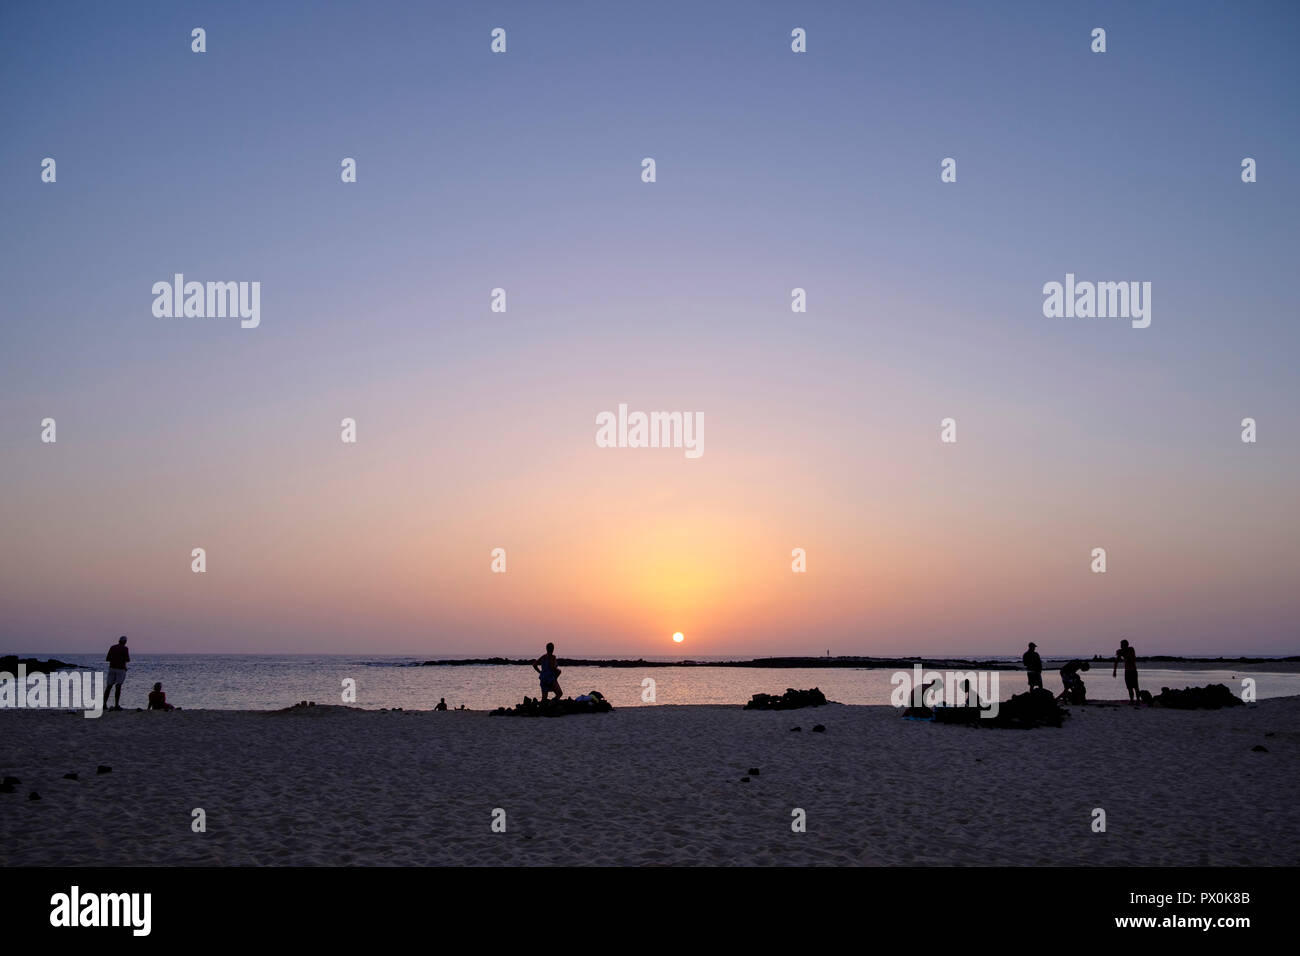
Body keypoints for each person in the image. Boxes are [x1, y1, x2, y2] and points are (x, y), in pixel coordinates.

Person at [104, 636, 129, 711]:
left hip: (112, 668)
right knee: (118, 687)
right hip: (120, 669)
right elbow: (127, 659)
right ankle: (116, 705)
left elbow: (107, 658)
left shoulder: (112, 647)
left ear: (119, 641)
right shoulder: (125, 648)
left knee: (108, 687)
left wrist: (114, 659)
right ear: (125, 642)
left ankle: (104, 704)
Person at [1114, 639, 1140, 704]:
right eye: (1121, 645)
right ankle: (1131, 700)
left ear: (1126, 645)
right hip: (1127, 671)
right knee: (1129, 687)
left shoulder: (1131, 649)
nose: (1121, 646)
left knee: (1136, 687)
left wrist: (1123, 654)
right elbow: (1116, 661)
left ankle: (1138, 700)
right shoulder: (1121, 651)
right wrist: (1114, 671)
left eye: (1122, 645)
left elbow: (1132, 660)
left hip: (1133, 671)